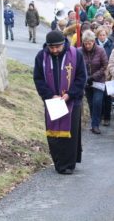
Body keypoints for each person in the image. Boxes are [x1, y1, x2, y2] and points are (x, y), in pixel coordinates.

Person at [33, 30, 86, 174]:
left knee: (70, 133)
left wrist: (70, 94)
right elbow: (38, 79)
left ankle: (68, 165)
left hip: (71, 102)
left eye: (58, 47)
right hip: (53, 102)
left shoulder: (76, 55)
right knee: (53, 133)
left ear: (63, 44)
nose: (55, 50)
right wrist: (50, 95)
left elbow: (81, 78)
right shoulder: (41, 57)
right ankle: (58, 162)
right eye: (52, 47)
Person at [81, 30, 108, 134]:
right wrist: (86, 78)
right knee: (91, 103)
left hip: (99, 81)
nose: (88, 45)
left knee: (97, 102)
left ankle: (95, 125)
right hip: (87, 82)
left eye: (90, 43)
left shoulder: (100, 50)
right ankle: (94, 120)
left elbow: (105, 66)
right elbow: (78, 66)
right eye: (86, 43)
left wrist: (93, 77)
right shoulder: (80, 51)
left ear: (93, 41)